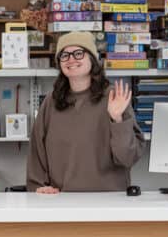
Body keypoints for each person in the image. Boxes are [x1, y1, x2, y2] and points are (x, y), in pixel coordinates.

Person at [27, 32, 145, 193]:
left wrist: (117, 120)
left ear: (92, 59)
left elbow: (127, 158)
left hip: (110, 199)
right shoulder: (51, 101)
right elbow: (37, 151)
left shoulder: (114, 97)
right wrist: (38, 186)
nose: (71, 59)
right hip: (62, 199)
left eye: (78, 53)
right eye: (64, 55)